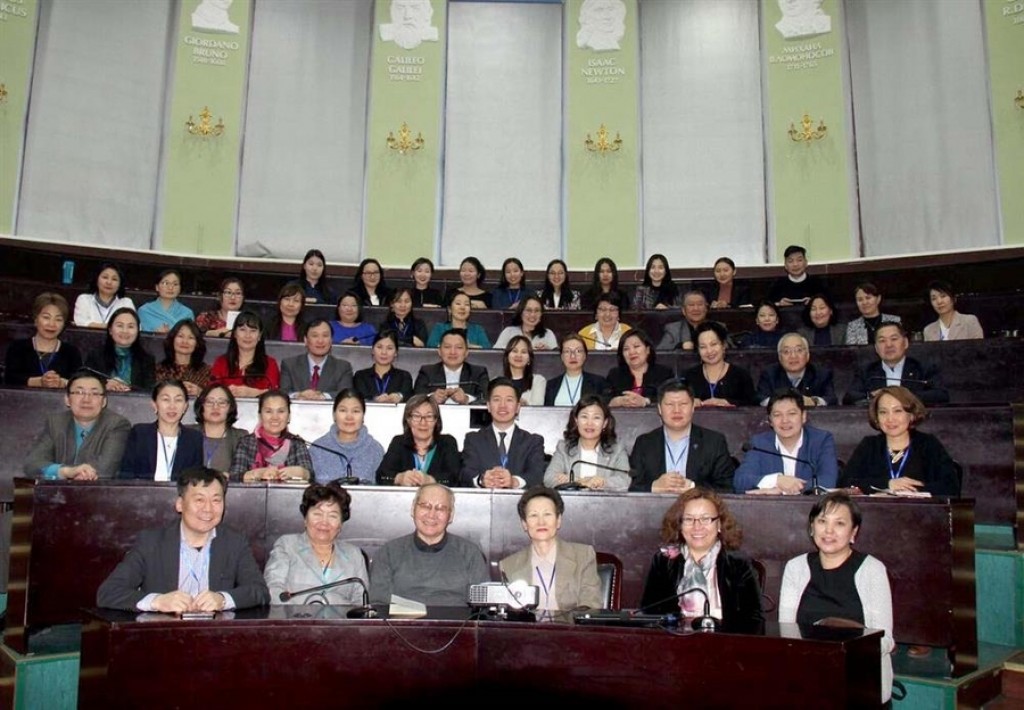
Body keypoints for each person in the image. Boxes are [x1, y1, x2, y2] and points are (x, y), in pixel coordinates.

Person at [96, 466, 269, 612]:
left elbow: (259, 591)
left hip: (215, 634)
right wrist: (158, 601)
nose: (208, 509)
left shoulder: (234, 542)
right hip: (165, 633)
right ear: (180, 504)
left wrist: (223, 599)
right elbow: (108, 593)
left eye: (216, 501)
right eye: (199, 500)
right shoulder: (152, 542)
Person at [779, 492, 893, 704]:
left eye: (839, 523)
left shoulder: (872, 570)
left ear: (853, 532)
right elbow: (786, 634)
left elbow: (885, 641)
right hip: (808, 679)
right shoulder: (796, 567)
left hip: (859, 681)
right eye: (822, 521)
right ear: (812, 527)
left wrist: (839, 652)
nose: (828, 530)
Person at [640, 488, 764, 633]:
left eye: (705, 519)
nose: (697, 527)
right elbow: (649, 615)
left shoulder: (739, 564)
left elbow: (754, 622)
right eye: (689, 519)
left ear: (719, 524)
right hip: (675, 643)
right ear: (679, 525)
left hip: (726, 643)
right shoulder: (663, 561)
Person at [369, 483, 489, 606]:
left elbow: (483, 606)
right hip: (401, 618)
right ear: (413, 509)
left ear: (451, 515)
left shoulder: (469, 553)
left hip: (458, 618)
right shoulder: (388, 552)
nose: (431, 515)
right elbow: (379, 604)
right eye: (425, 506)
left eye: (440, 508)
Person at [838, 386, 959, 496]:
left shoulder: (928, 444)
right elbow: (845, 483)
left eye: (898, 411)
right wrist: (888, 484)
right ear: (876, 418)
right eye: (883, 412)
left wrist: (911, 491)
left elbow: (950, 487)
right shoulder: (869, 445)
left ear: (911, 415)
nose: (890, 419)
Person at [264, 482, 369, 605]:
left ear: (341, 523)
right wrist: (309, 608)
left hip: (341, 618)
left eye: (332, 516)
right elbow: (273, 591)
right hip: (294, 616)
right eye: (317, 514)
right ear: (305, 518)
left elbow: (361, 603)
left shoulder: (354, 554)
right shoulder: (287, 545)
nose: (324, 522)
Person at [500, 487, 603, 611]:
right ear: (524, 524)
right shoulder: (508, 565)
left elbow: (591, 604)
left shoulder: (583, 556)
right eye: (533, 515)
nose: (541, 522)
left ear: (558, 520)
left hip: (571, 624)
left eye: (547, 514)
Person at [629, 381, 735, 493]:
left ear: (693, 407)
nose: (676, 410)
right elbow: (632, 487)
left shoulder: (714, 442)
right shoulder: (644, 443)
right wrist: (653, 487)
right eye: (670, 405)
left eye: (683, 404)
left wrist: (693, 488)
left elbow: (726, 488)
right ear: (659, 409)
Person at [23, 370, 131, 480]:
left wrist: (75, 473)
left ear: (104, 401)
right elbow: (32, 464)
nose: (86, 400)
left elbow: (105, 470)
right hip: (58, 489)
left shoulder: (116, 424)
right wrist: (65, 472)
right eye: (79, 392)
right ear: (67, 400)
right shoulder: (55, 423)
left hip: (99, 490)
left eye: (94, 393)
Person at [733, 389, 839, 494]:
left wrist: (786, 488)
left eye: (791, 413)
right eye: (777, 415)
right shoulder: (759, 444)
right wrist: (776, 480)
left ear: (803, 416)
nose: (785, 420)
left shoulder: (821, 440)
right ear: (770, 420)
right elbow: (740, 482)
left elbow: (828, 481)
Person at [460, 378, 546, 489]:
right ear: (488, 406)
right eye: (496, 400)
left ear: (518, 407)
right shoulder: (473, 439)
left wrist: (514, 482)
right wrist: (481, 480)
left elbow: (536, 475)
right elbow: (466, 473)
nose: (502, 405)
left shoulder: (533, 442)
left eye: (509, 400)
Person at [843, 322, 949, 405]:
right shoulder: (867, 371)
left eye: (894, 339)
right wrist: (871, 396)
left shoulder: (923, 368)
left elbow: (941, 395)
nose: (889, 345)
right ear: (876, 348)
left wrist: (904, 395)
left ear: (905, 343)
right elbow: (849, 397)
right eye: (882, 341)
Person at [120, 380, 205, 481]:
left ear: (185, 407)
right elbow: (126, 474)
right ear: (154, 405)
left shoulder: (194, 438)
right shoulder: (140, 433)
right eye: (166, 399)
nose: (172, 406)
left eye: (178, 400)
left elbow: (194, 480)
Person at [543, 395, 630, 491]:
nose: (589, 423)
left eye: (596, 418)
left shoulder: (617, 449)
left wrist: (602, 482)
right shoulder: (564, 448)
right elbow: (549, 478)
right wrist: (583, 482)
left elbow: (625, 480)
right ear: (576, 420)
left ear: (605, 423)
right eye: (584, 417)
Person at [376, 395, 461, 487]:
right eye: (416, 416)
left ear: (436, 420)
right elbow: (381, 476)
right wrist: (399, 478)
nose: (423, 423)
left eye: (429, 416)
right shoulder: (399, 442)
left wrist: (431, 480)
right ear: (408, 420)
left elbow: (455, 477)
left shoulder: (447, 443)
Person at [231, 390, 313, 483]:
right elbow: (234, 477)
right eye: (268, 411)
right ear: (260, 416)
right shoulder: (246, 443)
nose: (275, 417)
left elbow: (311, 476)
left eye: (281, 411)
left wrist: (303, 473)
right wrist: (257, 474)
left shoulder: (297, 443)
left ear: (289, 416)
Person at [4, 292, 82, 388]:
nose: (51, 324)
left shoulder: (71, 352)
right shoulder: (18, 348)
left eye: (58, 319)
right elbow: (10, 379)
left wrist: (62, 383)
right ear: (35, 319)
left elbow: (79, 383)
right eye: (46, 317)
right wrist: (39, 382)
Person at [309, 390, 384, 485]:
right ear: (334, 415)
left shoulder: (375, 449)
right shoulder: (317, 448)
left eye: (356, 411)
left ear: (363, 416)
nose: (349, 417)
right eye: (343, 410)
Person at [683, 321, 757, 407]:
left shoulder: (741, 376)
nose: (709, 351)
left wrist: (729, 403)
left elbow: (753, 405)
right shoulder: (689, 376)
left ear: (724, 345)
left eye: (713, 344)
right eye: (703, 347)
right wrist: (689, 402)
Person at [280, 318, 355, 401]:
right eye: (315, 336)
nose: (320, 341)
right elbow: (283, 393)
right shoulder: (289, 364)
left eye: (325, 336)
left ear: (331, 340)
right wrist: (298, 395)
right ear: (306, 340)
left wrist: (323, 396)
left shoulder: (343, 367)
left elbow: (345, 394)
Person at [84, 307, 157, 393]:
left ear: (138, 331)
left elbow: (149, 392)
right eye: (120, 326)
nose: (125, 331)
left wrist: (127, 388)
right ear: (110, 330)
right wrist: (104, 386)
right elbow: (84, 383)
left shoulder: (147, 360)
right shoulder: (96, 356)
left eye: (130, 326)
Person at [209, 311, 280, 398]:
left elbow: (276, 394)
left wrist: (254, 393)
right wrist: (227, 392)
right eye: (242, 330)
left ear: (259, 336)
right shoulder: (221, 362)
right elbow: (212, 391)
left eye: (253, 331)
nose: (247, 335)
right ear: (235, 334)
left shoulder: (270, 363)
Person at [755, 332, 837, 406]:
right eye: (786, 351)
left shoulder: (821, 374)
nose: (793, 356)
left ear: (807, 355)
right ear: (779, 357)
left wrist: (814, 401)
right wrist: (784, 402)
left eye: (799, 350)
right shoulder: (769, 374)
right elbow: (760, 399)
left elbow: (831, 399)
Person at [414, 329, 490, 404]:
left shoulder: (478, 373)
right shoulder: (427, 372)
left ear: (466, 352)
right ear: (439, 351)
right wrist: (431, 399)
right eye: (447, 347)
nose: (453, 352)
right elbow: (416, 399)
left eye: (459, 347)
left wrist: (466, 399)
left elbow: (486, 399)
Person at [605, 330, 674, 408]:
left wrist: (646, 401)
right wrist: (615, 401)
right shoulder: (615, 375)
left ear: (647, 350)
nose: (631, 352)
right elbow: (604, 399)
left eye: (636, 346)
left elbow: (671, 400)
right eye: (626, 349)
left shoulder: (664, 373)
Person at [188, 384, 247, 474]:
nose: (215, 407)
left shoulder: (241, 437)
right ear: (201, 405)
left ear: (230, 407)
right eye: (209, 402)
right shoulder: (187, 433)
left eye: (222, 402)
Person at [544, 334, 608, 407]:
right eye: (567, 351)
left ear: (585, 355)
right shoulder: (551, 385)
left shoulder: (598, 383)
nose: (573, 356)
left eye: (578, 351)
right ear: (562, 357)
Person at [353, 330, 414, 404]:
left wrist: (399, 396)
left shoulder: (404, 376)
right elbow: (359, 399)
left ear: (396, 353)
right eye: (379, 347)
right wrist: (374, 400)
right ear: (372, 350)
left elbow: (407, 396)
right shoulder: (360, 376)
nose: (384, 352)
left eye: (389, 348)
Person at [155, 320, 211, 397]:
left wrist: (200, 392)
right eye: (180, 336)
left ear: (197, 343)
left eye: (191, 338)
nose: (185, 342)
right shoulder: (158, 369)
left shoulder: (206, 371)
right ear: (172, 339)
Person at [73, 262, 135, 328]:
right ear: (96, 279)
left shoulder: (126, 303)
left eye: (114, 279)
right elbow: (80, 322)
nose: (109, 282)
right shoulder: (84, 299)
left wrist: (93, 325)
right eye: (105, 277)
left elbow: (134, 326)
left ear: (120, 284)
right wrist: (113, 327)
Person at [426, 291, 491, 349]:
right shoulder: (439, 328)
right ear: (449, 309)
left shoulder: (477, 329)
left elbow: (487, 348)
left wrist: (470, 347)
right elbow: (431, 346)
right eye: (458, 303)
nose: (462, 307)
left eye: (467, 304)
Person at [137, 269, 195, 333]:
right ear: (157, 287)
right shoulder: (144, 311)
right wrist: (155, 334)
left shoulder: (187, 313)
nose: (170, 288)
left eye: (175, 284)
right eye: (166, 283)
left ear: (180, 289)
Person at [493, 296, 558, 351]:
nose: (532, 315)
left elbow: (555, 357)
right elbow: (496, 353)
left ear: (541, 314)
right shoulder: (508, 332)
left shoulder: (548, 334)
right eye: (528, 310)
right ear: (521, 313)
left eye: (537, 311)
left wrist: (547, 351)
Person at [502, 335, 547, 406]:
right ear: (507, 357)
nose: (519, 355)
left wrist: (525, 404)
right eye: (515, 351)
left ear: (529, 359)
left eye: (523, 352)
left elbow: (538, 407)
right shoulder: (497, 381)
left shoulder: (538, 381)